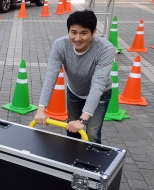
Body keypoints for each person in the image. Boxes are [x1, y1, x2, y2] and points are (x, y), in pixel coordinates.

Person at [34, 10, 114, 145]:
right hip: (74, 92)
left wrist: (83, 120)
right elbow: (51, 75)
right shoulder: (60, 45)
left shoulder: (105, 49)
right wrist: (41, 109)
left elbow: (98, 83)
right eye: (73, 32)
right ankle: (72, 161)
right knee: (71, 130)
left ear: (93, 32)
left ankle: (92, 161)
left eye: (84, 33)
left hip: (100, 94)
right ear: (68, 31)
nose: (77, 38)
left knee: (92, 134)